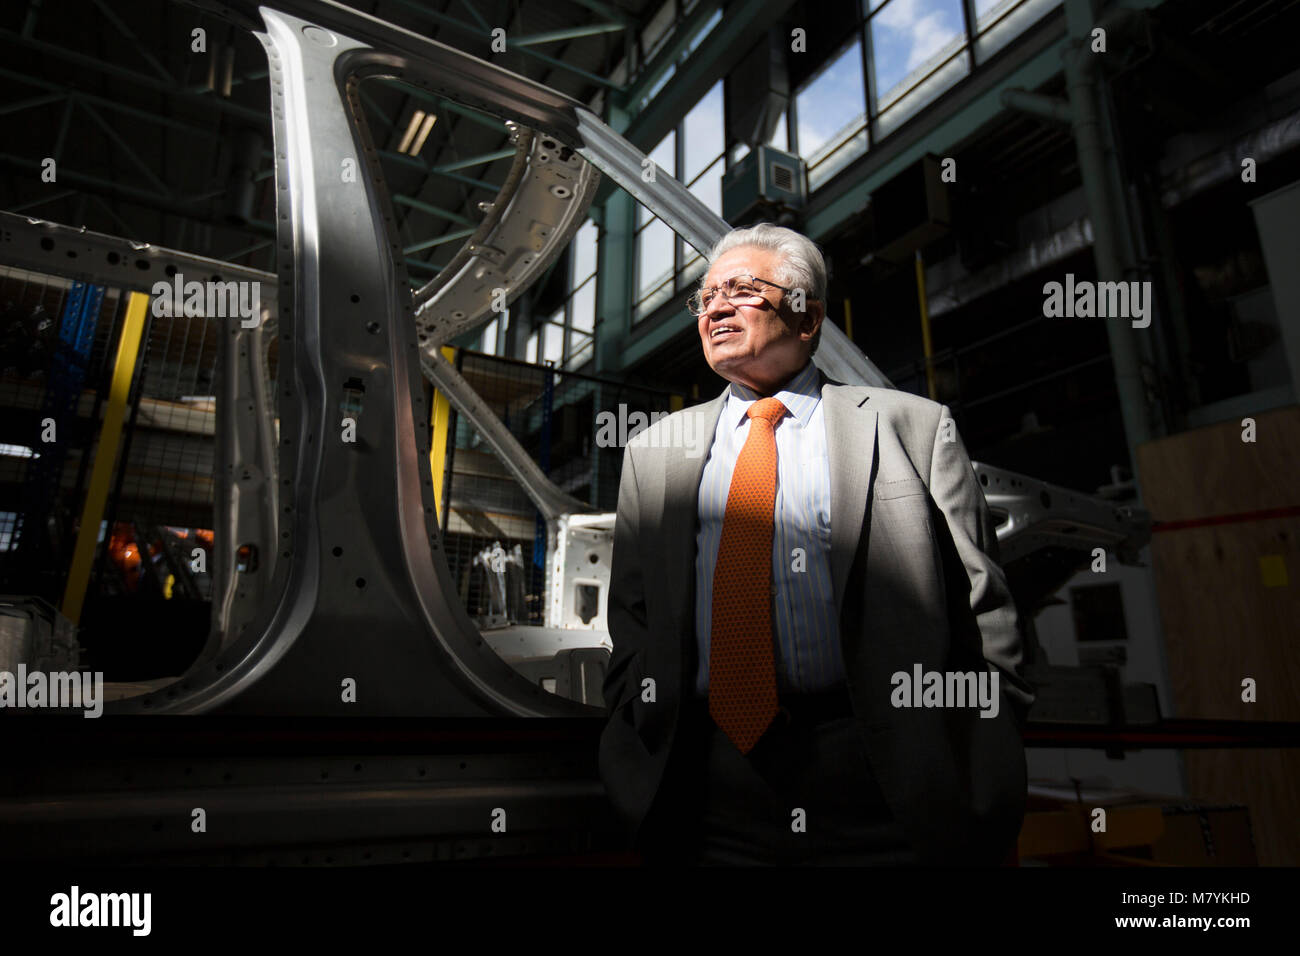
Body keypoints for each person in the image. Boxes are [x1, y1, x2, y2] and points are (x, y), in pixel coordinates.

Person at [598, 223, 1034, 865]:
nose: (715, 305)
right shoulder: (653, 453)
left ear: (807, 316)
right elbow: (632, 621)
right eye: (706, 295)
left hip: (887, 781)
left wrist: (985, 758)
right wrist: (633, 736)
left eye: (742, 289)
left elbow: (984, 611)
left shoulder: (910, 427)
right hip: (705, 787)